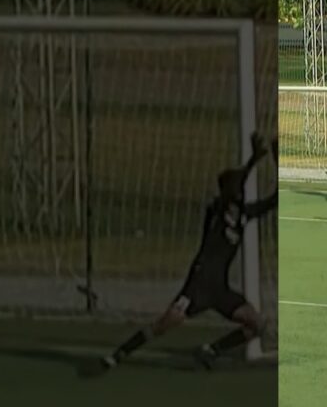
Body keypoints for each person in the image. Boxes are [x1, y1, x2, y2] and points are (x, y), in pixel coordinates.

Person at [85, 133, 276, 375]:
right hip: (196, 288)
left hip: (219, 290)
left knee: (256, 325)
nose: (238, 192)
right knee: (164, 325)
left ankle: (210, 350)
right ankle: (115, 356)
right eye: (234, 189)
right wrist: (252, 162)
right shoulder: (215, 213)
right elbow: (234, 184)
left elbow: (272, 201)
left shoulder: (244, 215)